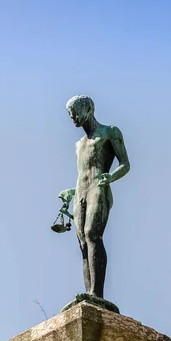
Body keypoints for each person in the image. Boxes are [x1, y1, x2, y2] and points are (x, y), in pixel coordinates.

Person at [58, 95, 130, 299]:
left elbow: (125, 163)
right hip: (80, 192)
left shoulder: (109, 132)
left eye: (75, 110)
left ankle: (97, 294)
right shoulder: (78, 145)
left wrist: (111, 177)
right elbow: (82, 174)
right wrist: (70, 192)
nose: (72, 116)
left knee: (92, 234)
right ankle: (89, 293)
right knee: (82, 242)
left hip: (98, 188)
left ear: (88, 109)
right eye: (69, 113)